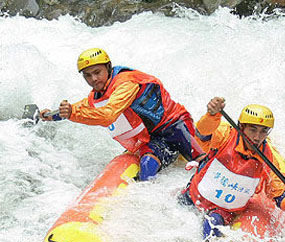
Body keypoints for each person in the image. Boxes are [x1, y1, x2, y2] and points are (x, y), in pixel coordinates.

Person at [40, 48, 204, 180]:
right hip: (152, 137)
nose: (94, 79)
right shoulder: (97, 94)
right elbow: (78, 107)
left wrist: (72, 114)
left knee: (201, 162)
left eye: (97, 72)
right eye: (87, 75)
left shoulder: (126, 82)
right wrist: (51, 115)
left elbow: (108, 116)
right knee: (147, 168)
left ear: (108, 67)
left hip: (175, 125)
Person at [179, 97, 285, 241]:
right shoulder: (225, 135)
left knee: (211, 226)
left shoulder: (267, 159)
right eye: (252, 129)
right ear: (241, 126)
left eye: (263, 131)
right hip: (194, 194)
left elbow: (278, 194)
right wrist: (212, 115)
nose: (257, 137)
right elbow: (202, 135)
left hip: (223, 210)